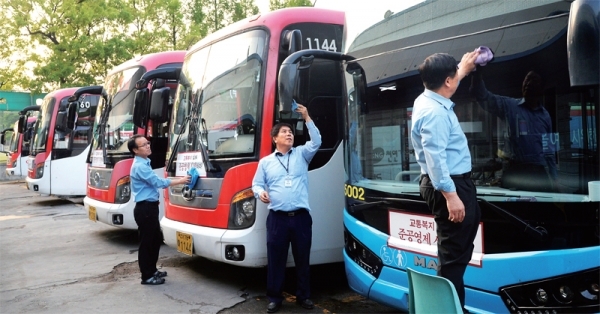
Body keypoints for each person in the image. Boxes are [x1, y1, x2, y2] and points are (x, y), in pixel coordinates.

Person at [410, 52, 481, 312]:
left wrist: (462, 69)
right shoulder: (435, 114)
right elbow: (436, 159)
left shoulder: (427, 98)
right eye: (454, 76)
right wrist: (451, 197)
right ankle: (448, 309)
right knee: (453, 261)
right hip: (448, 184)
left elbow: (450, 82)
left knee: (456, 253)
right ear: (447, 82)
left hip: (448, 182)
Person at [252, 103, 321, 313]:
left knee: (302, 259)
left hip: (300, 217)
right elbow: (256, 183)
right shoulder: (265, 163)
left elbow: (317, 141)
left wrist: (307, 117)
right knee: (276, 260)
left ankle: (304, 296)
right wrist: (259, 193)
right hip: (277, 219)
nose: (289, 134)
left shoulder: (302, 154)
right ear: (275, 139)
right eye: (284, 132)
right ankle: (274, 297)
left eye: (291, 132)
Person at [470, 70, 557, 192]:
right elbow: (483, 97)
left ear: (541, 89)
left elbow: (550, 150)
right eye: (526, 81)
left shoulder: (545, 116)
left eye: (533, 82)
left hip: (538, 174)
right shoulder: (509, 106)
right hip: (515, 172)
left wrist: (555, 179)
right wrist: (477, 74)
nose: (527, 84)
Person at [128, 134, 190, 285]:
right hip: (145, 209)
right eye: (144, 145)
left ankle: (152, 270)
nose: (148, 146)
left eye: (148, 143)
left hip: (150, 208)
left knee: (155, 240)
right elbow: (158, 182)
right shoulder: (140, 166)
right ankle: (147, 276)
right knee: (147, 242)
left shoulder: (145, 162)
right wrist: (181, 181)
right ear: (135, 150)